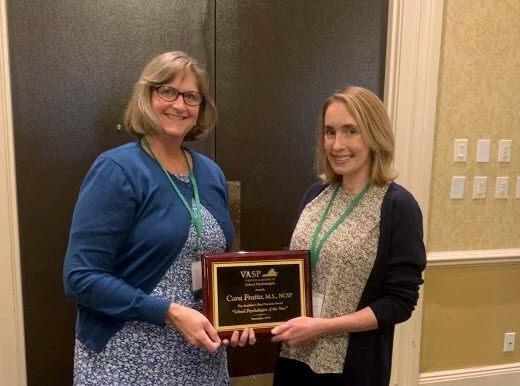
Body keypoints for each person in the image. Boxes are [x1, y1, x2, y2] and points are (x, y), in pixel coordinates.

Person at [63, 51, 255, 386]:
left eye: (191, 96)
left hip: (200, 357)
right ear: (146, 96)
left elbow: (218, 267)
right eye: (167, 91)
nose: (179, 105)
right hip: (128, 357)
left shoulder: (210, 173)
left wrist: (238, 314)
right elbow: (80, 277)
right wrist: (170, 312)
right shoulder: (118, 170)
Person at [271, 86, 426, 385]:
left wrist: (322, 326)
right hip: (294, 354)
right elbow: (293, 267)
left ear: (374, 135)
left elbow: (399, 302)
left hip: (352, 366)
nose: (337, 144)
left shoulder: (397, 206)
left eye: (350, 131)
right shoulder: (316, 193)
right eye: (330, 132)